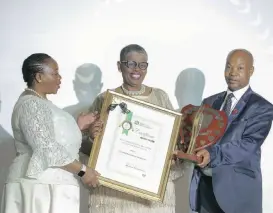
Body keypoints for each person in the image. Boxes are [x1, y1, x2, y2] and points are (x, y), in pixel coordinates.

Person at [80, 44, 184, 213]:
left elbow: (172, 138)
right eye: (131, 64)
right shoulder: (105, 99)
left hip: (149, 186)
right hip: (114, 191)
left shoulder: (160, 97)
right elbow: (84, 147)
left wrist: (173, 152)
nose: (137, 69)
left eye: (143, 65)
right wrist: (92, 136)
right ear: (119, 66)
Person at [1, 53, 100, 213]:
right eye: (55, 73)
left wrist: (78, 126)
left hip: (52, 186)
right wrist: (83, 171)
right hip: (39, 188)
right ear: (39, 76)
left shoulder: (42, 104)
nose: (60, 78)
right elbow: (46, 147)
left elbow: (49, 136)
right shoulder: (31, 104)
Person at [188, 49, 273, 213]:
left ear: (251, 71)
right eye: (229, 67)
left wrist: (212, 154)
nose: (233, 73)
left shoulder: (262, 107)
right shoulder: (209, 102)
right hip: (204, 190)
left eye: (240, 68)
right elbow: (197, 139)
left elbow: (249, 145)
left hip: (237, 194)